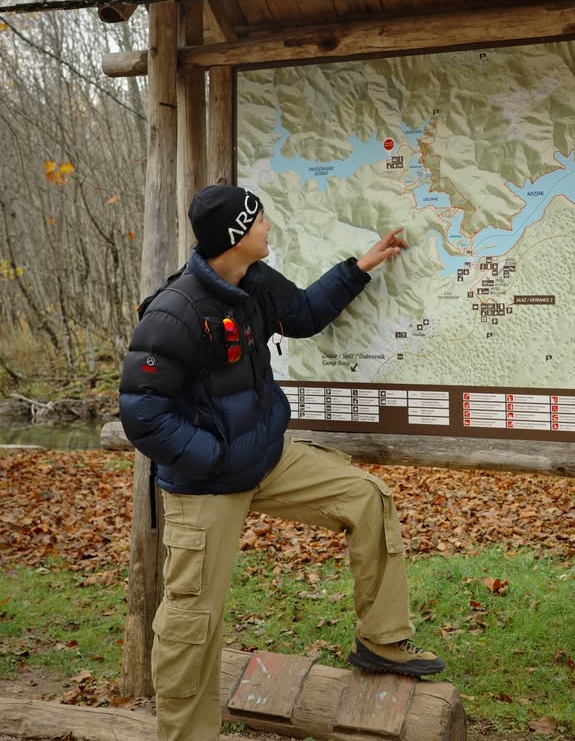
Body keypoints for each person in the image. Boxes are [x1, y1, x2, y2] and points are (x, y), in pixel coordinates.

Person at [119, 183, 444, 741]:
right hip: (207, 485)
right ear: (235, 234)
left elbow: (304, 314)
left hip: (266, 457)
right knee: (193, 618)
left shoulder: (255, 282)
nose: (267, 226)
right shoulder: (175, 312)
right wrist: (212, 456)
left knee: (367, 498)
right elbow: (142, 413)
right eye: (259, 220)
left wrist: (361, 266)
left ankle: (381, 640)